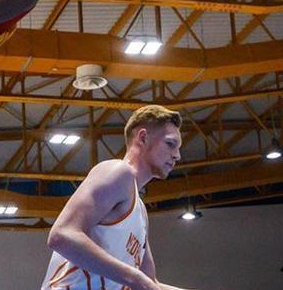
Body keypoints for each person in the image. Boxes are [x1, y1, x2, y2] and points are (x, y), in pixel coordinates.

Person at [41, 105, 187, 290]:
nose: (177, 155)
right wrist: (135, 278)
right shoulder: (118, 171)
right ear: (143, 137)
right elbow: (61, 235)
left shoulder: (140, 212)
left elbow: (151, 283)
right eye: (170, 144)